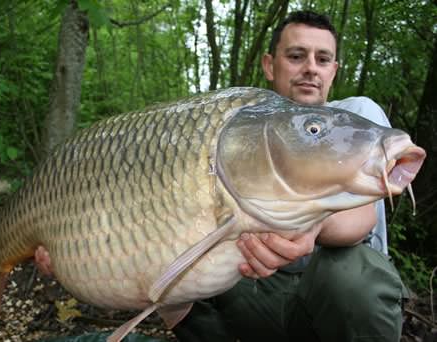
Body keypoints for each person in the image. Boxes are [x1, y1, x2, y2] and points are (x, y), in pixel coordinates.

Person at [172, 10, 405, 342]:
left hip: (330, 294)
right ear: (270, 64)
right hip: (255, 289)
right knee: (189, 277)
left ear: (333, 71)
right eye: (297, 56)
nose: (311, 67)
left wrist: (311, 226)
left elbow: (362, 216)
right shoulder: (235, 126)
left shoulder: (356, 119)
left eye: (322, 59)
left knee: (351, 277)